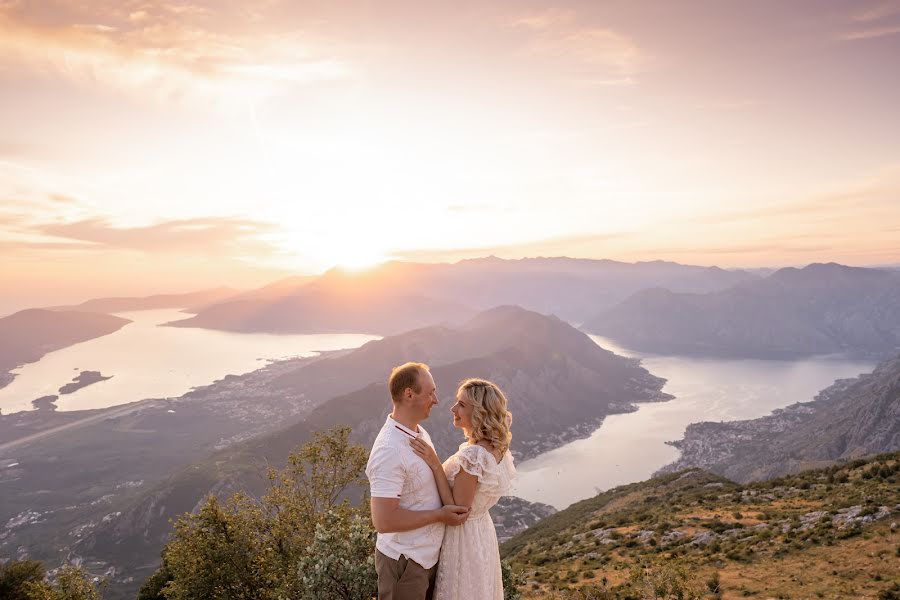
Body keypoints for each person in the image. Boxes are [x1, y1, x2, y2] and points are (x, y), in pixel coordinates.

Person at [366, 362, 471, 600]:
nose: (436, 399)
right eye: (430, 392)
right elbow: (383, 521)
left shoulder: (419, 433)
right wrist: (439, 516)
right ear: (409, 394)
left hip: (426, 558)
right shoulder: (389, 450)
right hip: (404, 563)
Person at [409, 378, 516, 600]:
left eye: (462, 405)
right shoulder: (497, 448)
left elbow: (458, 510)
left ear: (480, 413)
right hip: (482, 533)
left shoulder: (474, 456)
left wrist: (435, 464)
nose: (453, 408)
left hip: (463, 539)